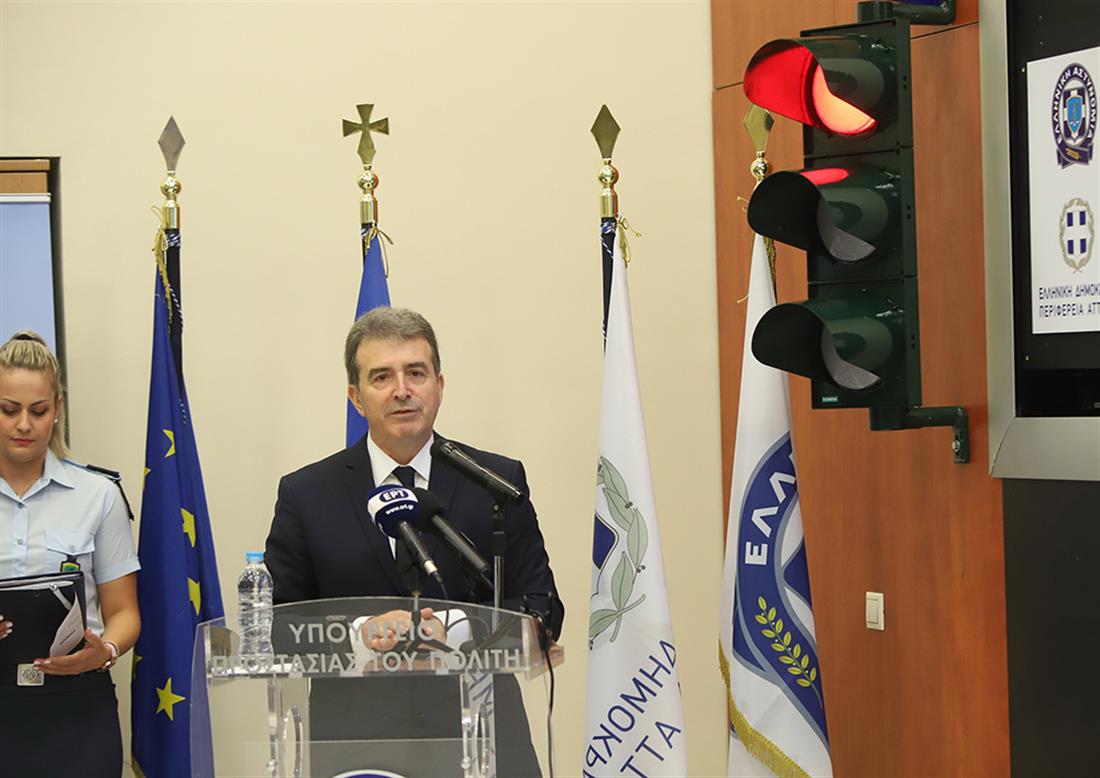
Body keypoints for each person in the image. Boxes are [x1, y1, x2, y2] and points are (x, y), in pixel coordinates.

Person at [265, 306, 562, 776]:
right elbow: (277, 627)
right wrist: (361, 632)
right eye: (381, 376)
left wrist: (454, 629)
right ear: (356, 397)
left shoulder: (495, 482)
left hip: (484, 738)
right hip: (355, 748)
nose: (401, 389)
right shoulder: (307, 494)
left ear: (439, 386)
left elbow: (543, 608)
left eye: (416, 373)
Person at [0, 331, 141, 777]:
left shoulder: (98, 495)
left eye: (38, 410)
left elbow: (124, 612)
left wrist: (106, 650)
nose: (24, 424)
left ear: (58, 408)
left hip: (77, 709)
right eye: (9, 410)